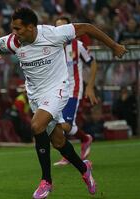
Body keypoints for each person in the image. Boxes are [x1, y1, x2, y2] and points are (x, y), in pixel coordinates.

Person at [0, 7, 127, 199]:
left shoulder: (53, 34)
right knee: (59, 141)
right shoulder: (14, 42)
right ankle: (84, 168)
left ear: (31, 27)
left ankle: (46, 181)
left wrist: (114, 46)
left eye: (18, 29)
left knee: (37, 125)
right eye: (13, 28)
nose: (15, 33)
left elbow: (87, 28)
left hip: (58, 90)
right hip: (35, 95)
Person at [53, 17, 99, 166]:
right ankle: (85, 138)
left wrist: (90, 87)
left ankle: (68, 154)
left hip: (73, 88)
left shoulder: (78, 46)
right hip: (57, 89)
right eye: (57, 28)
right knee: (58, 124)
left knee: (65, 126)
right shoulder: (52, 46)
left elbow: (92, 64)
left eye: (63, 27)